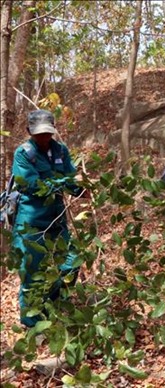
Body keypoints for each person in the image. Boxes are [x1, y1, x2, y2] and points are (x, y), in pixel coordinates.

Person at [11, 109, 87, 328]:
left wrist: (82, 189)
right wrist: (63, 183)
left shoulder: (61, 151)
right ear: (29, 132)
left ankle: (52, 307)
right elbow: (32, 185)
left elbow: (71, 178)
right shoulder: (23, 153)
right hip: (31, 223)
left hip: (57, 220)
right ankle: (32, 324)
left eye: (47, 133)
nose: (44, 138)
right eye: (39, 134)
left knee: (72, 262)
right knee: (31, 274)